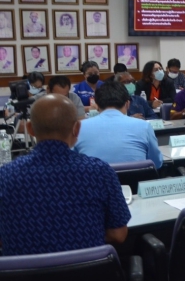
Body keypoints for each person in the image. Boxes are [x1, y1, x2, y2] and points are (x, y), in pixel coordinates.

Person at [0, 94, 130, 255]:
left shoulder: (5, 176)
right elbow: (118, 234)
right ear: (77, 128)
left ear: (30, 129)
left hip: (24, 271)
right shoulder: (100, 171)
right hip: (89, 269)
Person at [74, 81, 163, 168]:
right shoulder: (144, 126)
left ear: (96, 105)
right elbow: (157, 162)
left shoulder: (79, 127)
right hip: (135, 177)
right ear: (127, 104)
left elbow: (73, 162)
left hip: (95, 177)